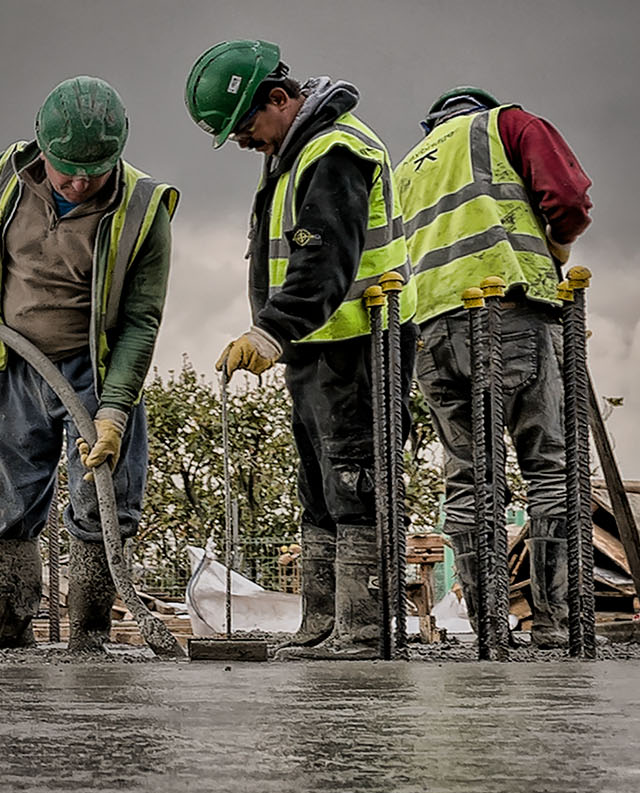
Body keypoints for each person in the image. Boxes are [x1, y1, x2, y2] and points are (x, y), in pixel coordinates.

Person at [0, 76, 181, 652]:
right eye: (67, 167)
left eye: (94, 170)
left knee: (105, 500)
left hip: (97, 370)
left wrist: (116, 410)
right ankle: (7, 638)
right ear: (42, 147)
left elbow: (143, 319)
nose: (79, 181)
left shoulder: (145, 208)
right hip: (16, 364)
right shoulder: (4, 176)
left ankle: (89, 641)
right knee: (7, 504)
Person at [182, 40, 408, 660]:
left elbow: (325, 259)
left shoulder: (335, 151)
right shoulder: (294, 152)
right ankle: (321, 624)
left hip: (362, 341)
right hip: (317, 345)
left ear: (280, 99)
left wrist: (270, 330)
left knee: (356, 476)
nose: (242, 143)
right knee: (319, 482)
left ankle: (362, 631)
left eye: (245, 127)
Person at [394, 86, 594, 648]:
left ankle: (488, 629)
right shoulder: (507, 126)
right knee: (550, 469)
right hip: (510, 315)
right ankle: (557, 625)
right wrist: (557, 245)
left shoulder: (406, 167)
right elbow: (569, 198)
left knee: (469, 475)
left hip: (429, 333)